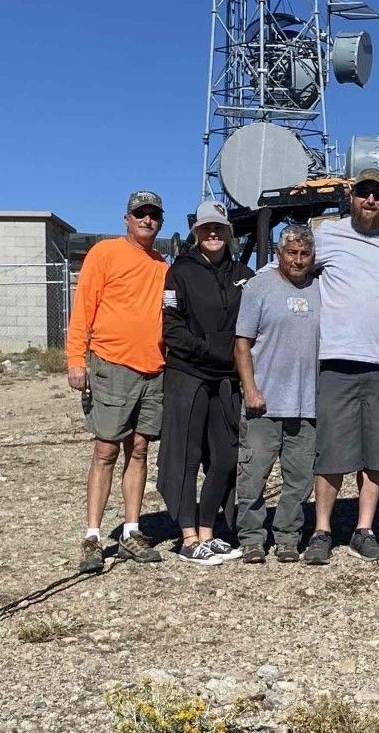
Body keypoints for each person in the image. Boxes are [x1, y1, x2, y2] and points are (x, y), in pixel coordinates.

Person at [307, 168, 379, 564]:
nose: (371, 201)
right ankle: (322, 530)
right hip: (336, 360)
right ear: (350, 197)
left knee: (377, 451)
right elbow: (295, 267)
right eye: (364, 194)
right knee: (332, 449)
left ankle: (363, 530)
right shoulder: (328, 236)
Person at [67, 190, 171, 572]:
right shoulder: (105, 254)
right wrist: (76, 359)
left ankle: (131, 530)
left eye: (154, 215)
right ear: (126, 219)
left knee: (139, 449)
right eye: (140, 214)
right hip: (111, 365)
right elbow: (84, 308)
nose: (147, 220)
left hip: (153, 369)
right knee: (105, 450)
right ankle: (93, 536)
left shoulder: (162, 265)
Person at [159, 200, 255, 565]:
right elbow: (173, 328)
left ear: (229, 233)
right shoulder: (178, 273)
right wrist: (210, 351)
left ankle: (208, 530)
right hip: (190, 374)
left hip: (227, 379)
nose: (213, 234)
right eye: (206, 229)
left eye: (219, 228)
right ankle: (187, 537)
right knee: (187, 454)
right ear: (196, 233)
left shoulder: (244, 274)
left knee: (226, 455)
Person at [232, 223, 321, 564]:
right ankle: (252, 538)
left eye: (305, 254)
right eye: (292, 253)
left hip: (306, 402)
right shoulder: (259, 287)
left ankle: (287, 536)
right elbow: (242, 345)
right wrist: (250, 389)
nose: (298, 260)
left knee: (299, 479)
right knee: (253, 475)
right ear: (279, 254)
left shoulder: (319, 288)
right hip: (263, 403)